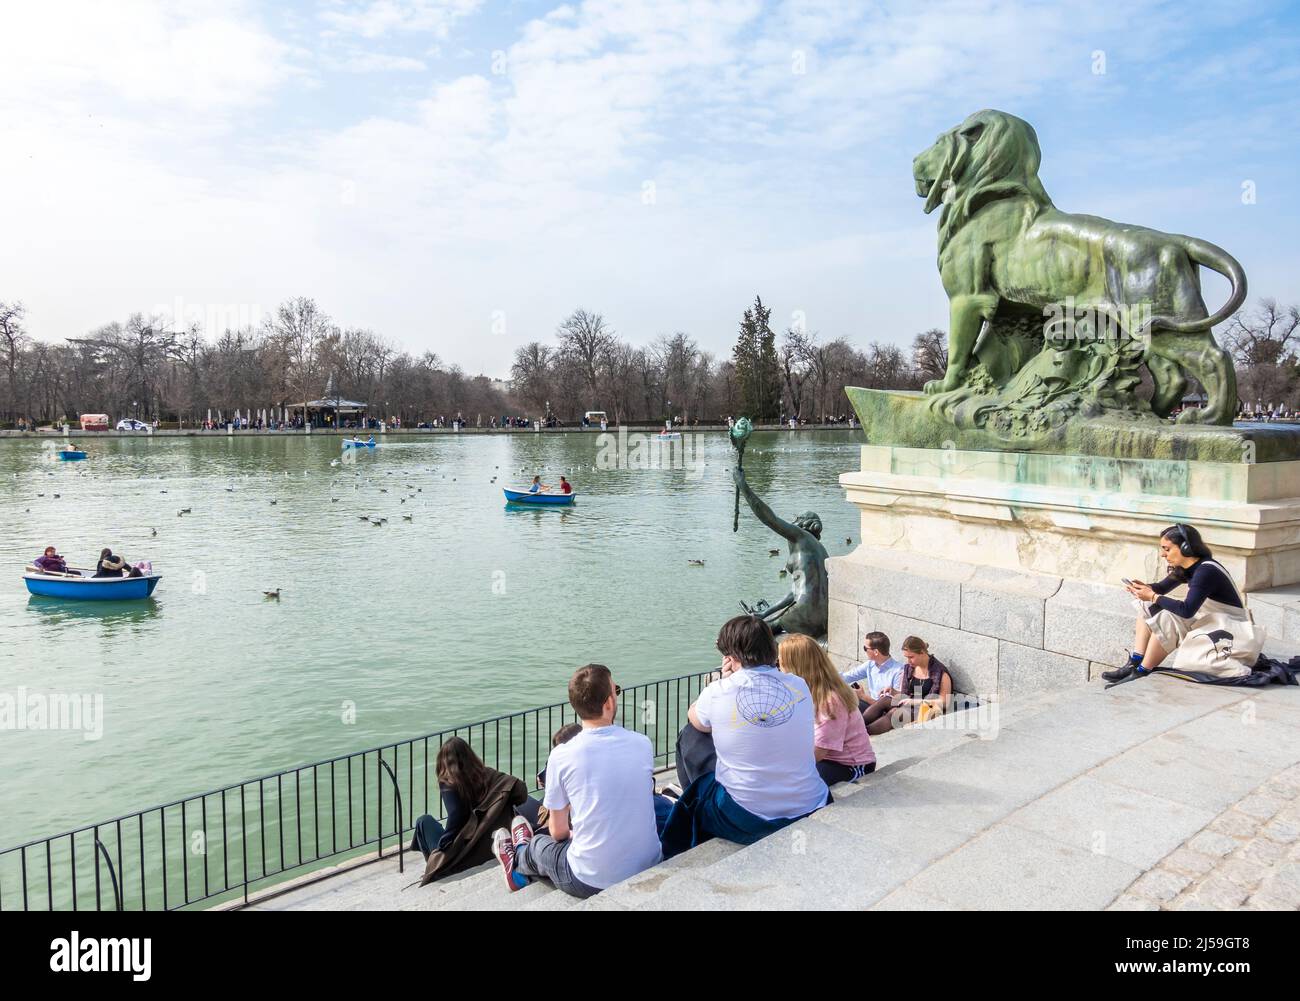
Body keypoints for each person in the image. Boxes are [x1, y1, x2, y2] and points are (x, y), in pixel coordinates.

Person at [660, 616, 829, 858]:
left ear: (732, 656)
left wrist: (724, 680)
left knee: (690, 734)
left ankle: (694, 811)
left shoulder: (718, 691)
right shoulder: (798, 684)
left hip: (749, 817)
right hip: (811, 801)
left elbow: (695, 719)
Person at [493, 664, 661, 898]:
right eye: (616, 691)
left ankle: (518, 862)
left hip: (590, 880)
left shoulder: (561, 756)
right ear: (609, 703)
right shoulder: (642, 743)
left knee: (539, 847)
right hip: (649, 862)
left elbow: (559, 832)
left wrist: (572, 835)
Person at [1103, 523, 1261, 682]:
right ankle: (1135, 662)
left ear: (1186, 548)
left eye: (1167, 549)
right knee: (1146, 605)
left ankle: (1143, 671)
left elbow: (1186, 610)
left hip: (1229, 626)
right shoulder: (1187, 567)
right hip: (1210, 620)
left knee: (1168, 617)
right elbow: (1162, 588)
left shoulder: (1205, 571)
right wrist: (1144, 589)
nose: (1163, 555)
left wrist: (1152, 595)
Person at [413, 737, 541, 884]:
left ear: (443, 762)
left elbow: (457, 815)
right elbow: (520, 790)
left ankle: (436, 869)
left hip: (465, 850)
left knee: (424, 822)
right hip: (491, 843)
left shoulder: (449, 782)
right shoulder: (489, 775)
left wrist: (444, 843)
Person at [778, 634, 876, 786]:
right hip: (828, 759)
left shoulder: (830, 700)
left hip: (851, 765)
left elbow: (819, 751)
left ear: (794, 666)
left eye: (781, 663)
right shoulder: (811, 691)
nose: (779, 668)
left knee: (792, 784)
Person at [868, 636, 952, 735]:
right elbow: (905, 694)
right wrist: (893, 691)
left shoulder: (940, 673)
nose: (908, 661)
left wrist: (915, 702)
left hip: (926, 709)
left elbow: (944, 702)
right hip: (909, 703)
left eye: (911, 657)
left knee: (895, 713)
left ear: (922, 652)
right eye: (906, 657)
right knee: (885, 700)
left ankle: (862, 733)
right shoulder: (909, 669)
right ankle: (855, 726)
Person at [842, 631, 904, 728]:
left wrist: (863, 696)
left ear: (876, 652)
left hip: (883, 714)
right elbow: (847, 676)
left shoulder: (899, 671)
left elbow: (891, 706)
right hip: (869, 707)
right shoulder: (870, 665)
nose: (865, 651)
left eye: (865, 648)